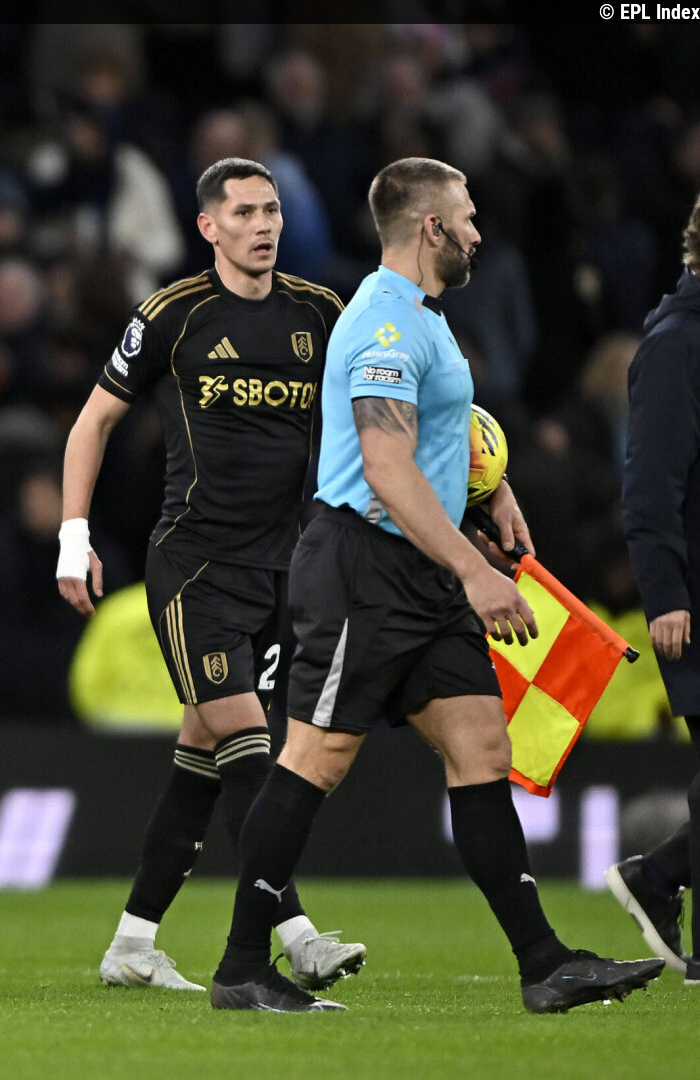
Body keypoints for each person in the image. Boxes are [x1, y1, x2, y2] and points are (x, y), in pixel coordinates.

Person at [207, 156, 664, 1013]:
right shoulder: (383, 323)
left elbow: (443, 430)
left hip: (421, 567)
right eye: (467, 216)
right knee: (315, 757)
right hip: (362, 568)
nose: (477, 232)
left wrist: (490, 491)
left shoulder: (423, 318)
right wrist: (472, 570)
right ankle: (239, 969)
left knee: (482, 749)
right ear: (430, 227)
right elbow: (384, 468)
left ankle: (543, 964)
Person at [57, 157, 364, 993]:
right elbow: (92, 422)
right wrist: (73, 536)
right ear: (208, 227)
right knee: (250, 745)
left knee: (201, 756)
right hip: (194, 568)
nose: (262, 226)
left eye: (270, 211)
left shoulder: (319, 313)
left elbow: (370, 417)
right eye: (243, 214)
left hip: (281, 570)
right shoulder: (172, 314)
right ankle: (294, 932)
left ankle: (131, 945)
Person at [607, 191, 700, 981]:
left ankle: (657, 876)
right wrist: (664, 593)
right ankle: (657, 877)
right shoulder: (675, 345)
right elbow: (648, 487)